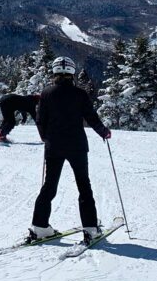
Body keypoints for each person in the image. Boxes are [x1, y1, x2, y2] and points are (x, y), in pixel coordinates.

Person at [29, 56, 111, 245]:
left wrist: (45, 138)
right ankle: (90, 229)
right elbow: (91, 117)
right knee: (84, 185)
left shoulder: (46, 93)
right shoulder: (80, 94)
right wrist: (103, 132)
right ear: (72, 73)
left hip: (54, 146)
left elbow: (40, 120)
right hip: (77, 146)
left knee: (49, 186)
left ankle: (40, 227)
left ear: (54, 72)